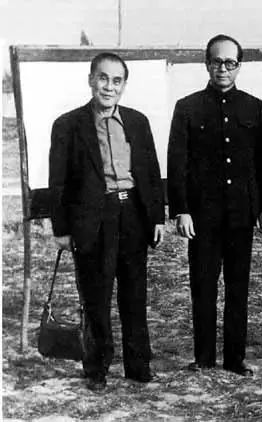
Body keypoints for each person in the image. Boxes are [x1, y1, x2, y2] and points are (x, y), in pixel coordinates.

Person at [49, 52, 165, 391]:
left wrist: (156, 218)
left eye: (117, 81)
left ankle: (138, 365)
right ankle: (97, 368)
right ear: (90, 80)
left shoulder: (137, 122)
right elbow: (58, 181)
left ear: (124, 85)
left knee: (134, 294)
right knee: (96, 296)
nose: (109, 87)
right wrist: (62, 229)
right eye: (103, 78)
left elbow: (150, 172)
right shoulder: (68, 125)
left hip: (132, 216)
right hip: (93, 219)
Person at [167, 34, 262, 376]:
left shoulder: (253, 106)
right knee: (203, 286)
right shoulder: (188, 107)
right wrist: (181, 209)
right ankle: (203, 356)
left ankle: (235, 358)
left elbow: (260, 162)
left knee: (238, 288)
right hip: (202, 216)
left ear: (239, 66)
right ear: (207, 64)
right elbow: (177, 162)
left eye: (230, 62)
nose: (223, 69)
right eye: (217, 62)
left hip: (240, 214)